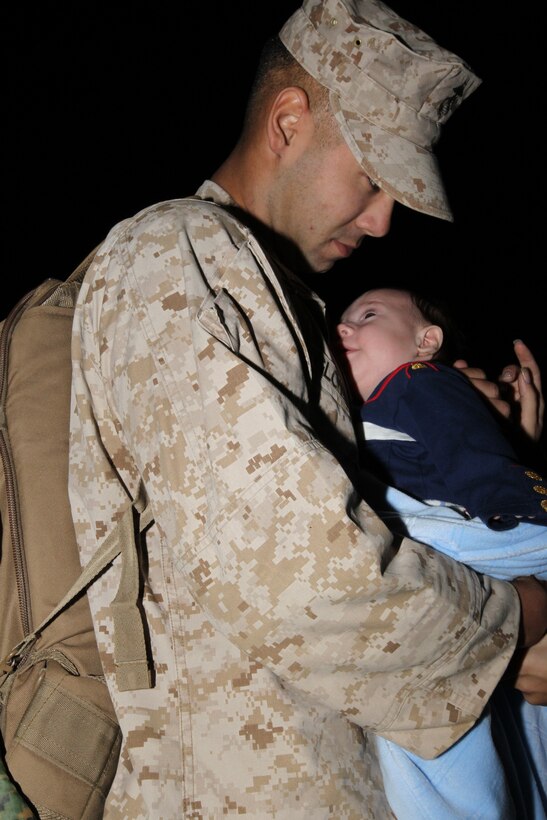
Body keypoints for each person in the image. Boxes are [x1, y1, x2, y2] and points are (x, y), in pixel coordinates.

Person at [68, 0, 547, 816]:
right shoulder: (186, 250)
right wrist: (521, 620)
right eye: (371, 178)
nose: (383, 219)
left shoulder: (275, 300)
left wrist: (478, 456)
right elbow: (310, 582)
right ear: (288, 120)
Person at [337, 286, 546, 818]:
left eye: (368, 316)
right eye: (342, 321)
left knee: (425, 716)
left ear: (425, 341)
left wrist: (512, 502)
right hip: (454, 580)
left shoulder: (415, 382)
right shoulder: (369, 412)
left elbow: (469, 450)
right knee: (434, 721)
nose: (345, 329)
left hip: (476, 538)